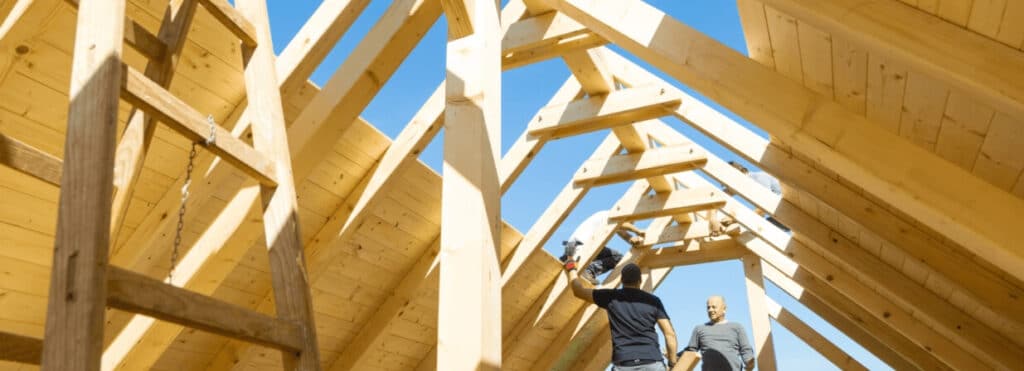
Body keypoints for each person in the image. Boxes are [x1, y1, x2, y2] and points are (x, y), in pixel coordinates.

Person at [563, 257, 678, 370]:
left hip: (624, 363)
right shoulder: (653, 301)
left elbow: (578, 291)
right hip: (652, 361)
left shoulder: (611, 297)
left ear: (622, 280)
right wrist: (672, 363)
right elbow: (669, 334)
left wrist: (571, 267)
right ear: (640, 281)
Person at [560, 210, 646, 285]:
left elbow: (624, 234)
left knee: (616, 256)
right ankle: (589, 269)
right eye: (631, 222)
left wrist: (633, 240)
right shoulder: (608, 215)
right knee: (617, 257)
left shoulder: (607, 219)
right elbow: (621, 223)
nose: (631, 225)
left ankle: (583, 267)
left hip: (572, 248)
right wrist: (637, 230)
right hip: (583, 246)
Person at [677, 296, 755, 371]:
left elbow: (746, 350)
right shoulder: (699, 329)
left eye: (714, 307)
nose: (710, 310)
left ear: (724, 309)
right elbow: (690, 350)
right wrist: (674, 356)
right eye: (708, 307)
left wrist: (749, 363)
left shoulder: (737, 327)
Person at [724, 161, 788, 232]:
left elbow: (765, 205)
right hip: (779, 213)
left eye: (735, 179)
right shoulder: (746, 184)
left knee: (764, 228)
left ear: (743, 171)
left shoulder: (759, 178)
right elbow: (725, 193)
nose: (735, 183)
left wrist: (740, 219)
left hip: (788, 211)